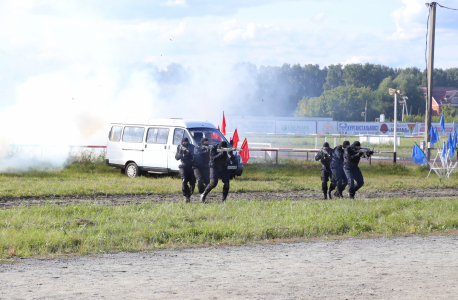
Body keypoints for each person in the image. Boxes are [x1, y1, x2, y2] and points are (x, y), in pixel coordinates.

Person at [175, 137, 196, 203]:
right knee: (184, 180)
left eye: (186, 142)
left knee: (192, 185)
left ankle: (188, 195)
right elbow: (176, 157)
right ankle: (186, 195)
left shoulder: (192, 147)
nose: (185, 143)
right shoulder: (180, 147)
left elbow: (195, 157)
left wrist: (189, 154)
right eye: (184, 142)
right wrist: (182, 154)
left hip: (192, 167)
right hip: (183, 166)